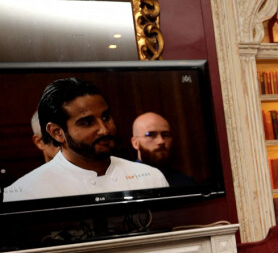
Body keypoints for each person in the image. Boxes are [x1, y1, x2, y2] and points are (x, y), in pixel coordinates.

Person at [3, 78, 168, 201]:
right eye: (87, 123)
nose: (104, 129)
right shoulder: (26, 192)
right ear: (57, 132)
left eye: (106, 117)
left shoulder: (150, 177)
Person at [131, 112, 194, 187]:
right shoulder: (123, 182)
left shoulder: (186, 183)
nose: (161, 141)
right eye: (151, 135)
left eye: (165, 135)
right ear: (135, 143)